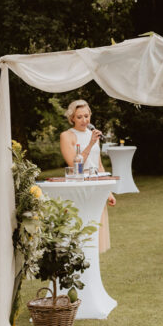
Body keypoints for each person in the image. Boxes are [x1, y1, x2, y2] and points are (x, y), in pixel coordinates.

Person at [60, 100, 115, 252]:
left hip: (96, 186)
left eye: (86, 116)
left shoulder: (93, 135)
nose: (84, 120)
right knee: (80, 227)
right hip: (78, 186)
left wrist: (108, 191)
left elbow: (98, 164)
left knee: (96, 227)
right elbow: (73, 164)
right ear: (72, 118)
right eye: (79, 117)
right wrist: (90, 144)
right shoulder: (67, 136)